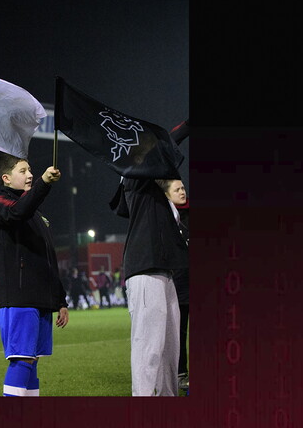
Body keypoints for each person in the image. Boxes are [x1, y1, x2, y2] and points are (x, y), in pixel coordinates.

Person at [109, 120, 189, 397]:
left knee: (170, 346)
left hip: (163, 272)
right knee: (149, 346)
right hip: (145, 270)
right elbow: (164, 144)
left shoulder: (152, 190)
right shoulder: (135, 176)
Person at [0, 154, 68, 397]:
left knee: (32, 361)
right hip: (18, 296)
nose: (30, 174)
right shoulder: (0, 204)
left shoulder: (36, 214)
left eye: (30, 170)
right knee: (22, 359)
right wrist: (44, 182)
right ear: (7, 178)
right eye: (23, 171)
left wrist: (60, 300)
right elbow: (18, 211)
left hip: (40, 297)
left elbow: (48, 258)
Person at [159, 178, 190, 393]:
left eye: (183, 188)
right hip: (178, 282)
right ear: (167, 194)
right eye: (177, 189)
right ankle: (180, 374)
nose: (182, 191)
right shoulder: (163, 217)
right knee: (179, 330)